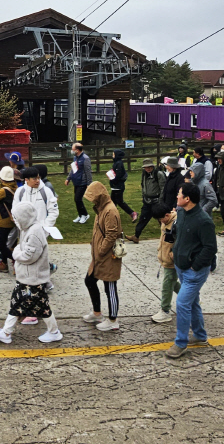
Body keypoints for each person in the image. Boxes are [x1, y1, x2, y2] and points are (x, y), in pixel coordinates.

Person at [0, 202, 62, 344]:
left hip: (33, 279)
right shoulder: (28, 229)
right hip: (28, 278)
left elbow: (29, 256)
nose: (14, 220)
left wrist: (15, 253)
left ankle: (53, 332)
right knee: (18, 304)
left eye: (16, 217)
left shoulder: (35, 232)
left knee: (42, 307)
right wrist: (18, 251)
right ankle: (6, 332)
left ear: (24, 218)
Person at [164, 182, 217, 359]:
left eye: (179, 194)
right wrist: (174, 248)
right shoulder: (181, 212)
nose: (177, 196)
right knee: (192, 302)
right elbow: (181, 233)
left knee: (182, 303)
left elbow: (210, 248)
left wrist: (195, 265)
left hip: (194, 272)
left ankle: (180, 343)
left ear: (187, 199)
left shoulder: (204, 220)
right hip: (181, 266)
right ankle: (200, 336)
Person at [81, 181, 123, 331]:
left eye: (92, 198)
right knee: (89, 281)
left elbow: (111, 235)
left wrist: (100, 251)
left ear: (99, 197)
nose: (91, 201)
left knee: (110, 286)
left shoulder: (110, 211)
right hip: (99, 256)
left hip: (107, 256)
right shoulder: (101, 208)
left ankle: (113, 320)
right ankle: (97, 313)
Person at [150, 204, 179, 324]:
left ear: (167, 215)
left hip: (172, 261)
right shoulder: (165, 222)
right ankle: (191, 297)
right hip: (165, 258)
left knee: (167, 284)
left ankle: (165, 310)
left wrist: (173, 253)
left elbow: (182, 240)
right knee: (171, 282)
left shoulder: (177, 224)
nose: (160, 222)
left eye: (161, 219)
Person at [134, 159, 166, 242]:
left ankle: (167, 236)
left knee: (162, 219)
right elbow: (143, 185)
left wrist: (161, 200)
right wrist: (143, 196)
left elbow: (163, 188)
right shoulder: (144, 174)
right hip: (147, 200)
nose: (147, 169)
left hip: (156, 201)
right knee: (143, 218)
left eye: (149, 167)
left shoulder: (158, 174)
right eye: (146, 167)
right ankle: (136, 236)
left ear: (152, 166)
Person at [66, 142, 92, 224]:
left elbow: (88, 172)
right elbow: (73, 169)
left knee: (78, 199)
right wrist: (68, 178)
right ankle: (80, 214)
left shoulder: (85, 158)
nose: (72, 151)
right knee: (76, 199)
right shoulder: (75, 158)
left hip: (82, 182)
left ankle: (85, 215)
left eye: (73, 149)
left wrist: (89, 183)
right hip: (76, 181)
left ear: (77, 150)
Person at [108, 149, 135, 221]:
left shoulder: (119, 163)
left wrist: (113, 180)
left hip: (118, 187)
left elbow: (118, 176)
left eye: (113, 154)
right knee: (113, 202)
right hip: (115, 187)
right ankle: (112, 215)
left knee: (120, 202)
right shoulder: (116, 163)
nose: (112, 156)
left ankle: (132, 213)